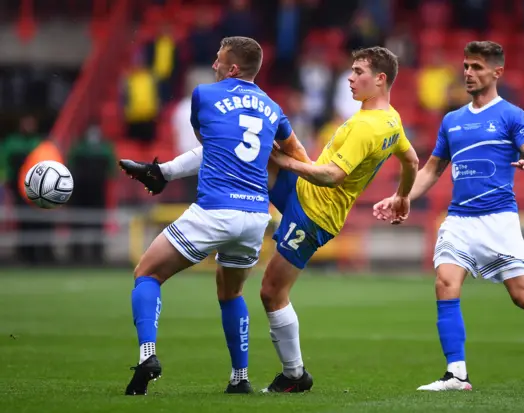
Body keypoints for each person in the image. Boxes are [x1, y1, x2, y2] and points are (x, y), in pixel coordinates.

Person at [124, 46, 419, 393]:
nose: (350, 78)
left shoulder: (365, 127)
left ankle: (295, 375)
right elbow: (412, 160)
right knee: (232, 141)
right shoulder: (392, 121)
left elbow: (331, 175)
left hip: (315, 214)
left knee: (272, 292)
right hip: (303, 194)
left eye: (358, 72)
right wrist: (403, 196)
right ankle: (163, 172)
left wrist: (287, 162)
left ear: (380, 79)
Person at [373, 41, 524, 391]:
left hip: (498, 220)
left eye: (476, 67)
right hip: (459, 220)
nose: (468, 73)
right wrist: (402, 196)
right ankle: (456, 373)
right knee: (445, 283)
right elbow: (431, 170)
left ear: (496, 72)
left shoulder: (512, 115)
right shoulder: (451, 120)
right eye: (466, 66)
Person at [119, 36, 309, 396]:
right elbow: (294, 151)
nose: (214, 65)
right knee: (230, 291)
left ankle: (147, 356)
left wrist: (162, 174)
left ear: (233, 67)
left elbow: (208, 147)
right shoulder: (273, 107)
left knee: (147, 273)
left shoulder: (204, 95)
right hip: (255, 216)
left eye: (219, 60)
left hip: (214, 209)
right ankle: (239, 378)